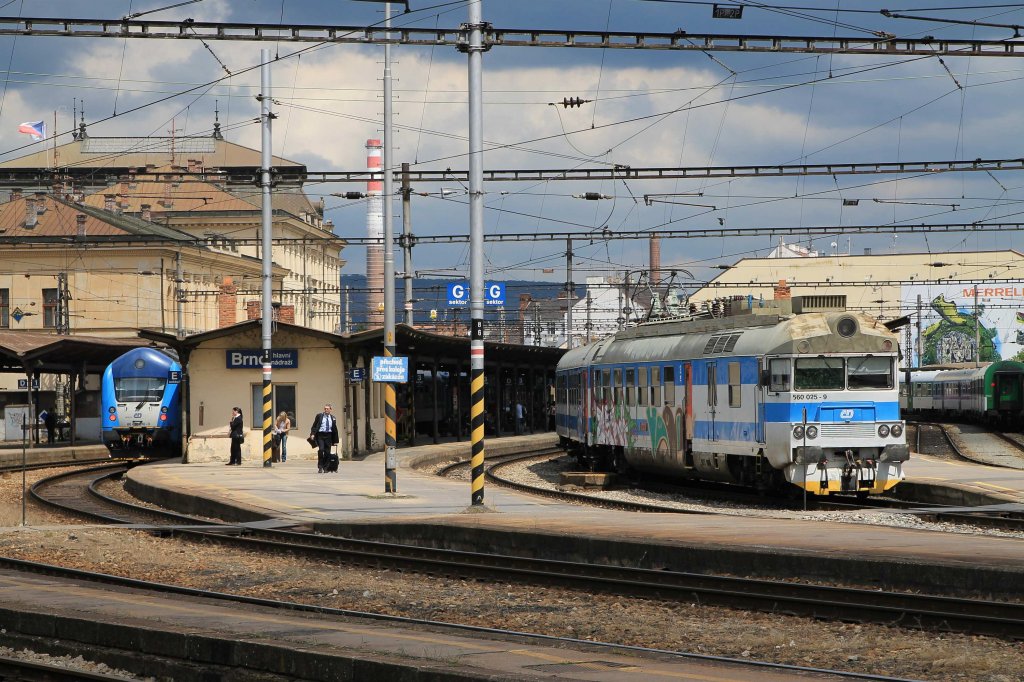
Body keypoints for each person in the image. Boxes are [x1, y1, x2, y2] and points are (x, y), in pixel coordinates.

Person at [309, 404, 339, 473]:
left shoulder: (333, 418)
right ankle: (320, 466)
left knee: (327, 452)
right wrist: (312, 434)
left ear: (330, 410)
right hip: (320, 435)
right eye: (325, 408)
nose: (326, 410)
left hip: (329, 436)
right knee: (321, 449)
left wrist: (335, 440)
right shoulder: (319, 416)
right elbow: (314, 426)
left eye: (327, 409)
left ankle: (326, 467)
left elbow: (334, 429)